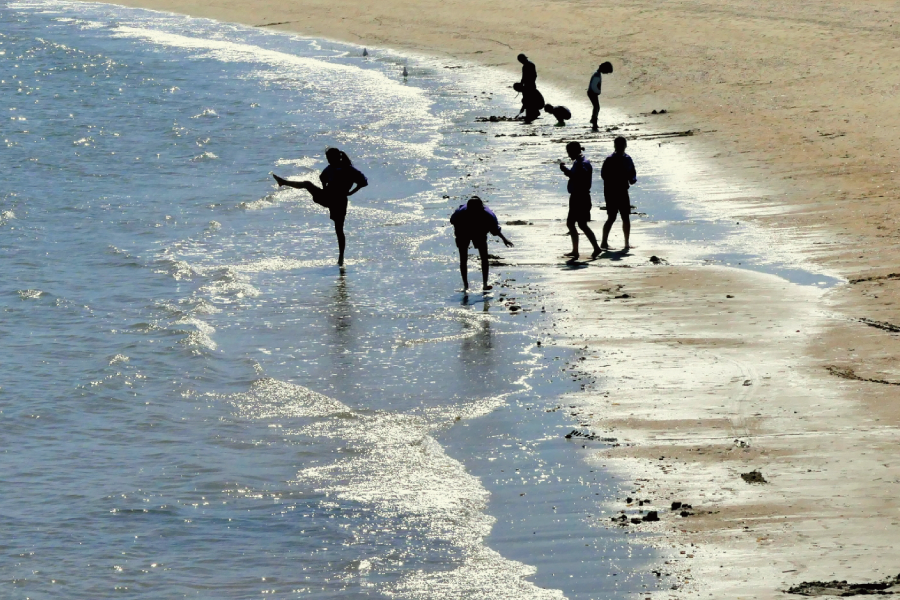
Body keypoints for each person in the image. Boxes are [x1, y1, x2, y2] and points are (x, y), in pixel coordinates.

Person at [272, 148, 368, 266]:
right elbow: (322, 178)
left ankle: (341, 257)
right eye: (327, 159)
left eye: (330, 158)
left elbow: (363, 182)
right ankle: (284, 182)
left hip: (340, 202)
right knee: (307, 184)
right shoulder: (329, 168)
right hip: (327, 197)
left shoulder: (349, 170)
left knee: (339, 230)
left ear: (338, 157)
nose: (328, 161)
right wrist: (324, 187)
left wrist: (351, 192)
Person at [450, 196, 514, 291]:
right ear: (468, 207)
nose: (473, 212)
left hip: (480, 231)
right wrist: (460, 230)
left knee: (484, 258)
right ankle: (465, 286)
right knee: (463, 259)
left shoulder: (488, 214)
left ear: (481, 207)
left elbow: (495, 229)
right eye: (471, 209)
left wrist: (504, 239)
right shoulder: (461, 212)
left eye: (476, 209)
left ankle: (485, 284)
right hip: (462, 231)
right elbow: (452, 221)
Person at [559, 141, 602, 259]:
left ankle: (593, 248)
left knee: (579, 224)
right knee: (576, 224)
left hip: (580, 197)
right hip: (580, 196)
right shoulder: (581, 162)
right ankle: (577, 250)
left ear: (575, 151)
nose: (568, 155)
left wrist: (565, 170)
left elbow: (577, 176)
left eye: (569, 152)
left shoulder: (581, 163)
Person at [600, 136, 638, 250]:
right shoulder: (609, 159)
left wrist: (632, 179)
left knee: (625, 217)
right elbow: (604, 175)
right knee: (611, 217)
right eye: (618, 145)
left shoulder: (628, 158)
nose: (620, 147)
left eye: (622, 145)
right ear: (614, 146)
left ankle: (626, 243)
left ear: (625, 145)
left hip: (623, 191)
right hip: (611, 192)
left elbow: (632, 172)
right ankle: (604, 243)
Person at [587, 61, 613, 129]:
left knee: (597, 107)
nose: (607, 73)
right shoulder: (597, 75)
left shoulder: (597, 73)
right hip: (592, 93)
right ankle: (594, 121)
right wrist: (598, 91)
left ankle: (594, 120)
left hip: (592, 92)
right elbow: (593, 86)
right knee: (596, 107)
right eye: (607, 71)